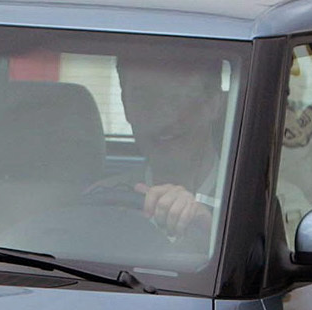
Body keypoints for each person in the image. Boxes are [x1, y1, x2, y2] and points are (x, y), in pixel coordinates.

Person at [98, 47, 232, 240]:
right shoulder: (100, 201)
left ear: (214, 103)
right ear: (126, 106)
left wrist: (212, 235)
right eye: (144, 98)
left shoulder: (257, 206)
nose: (163, 117)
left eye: (178, 96)